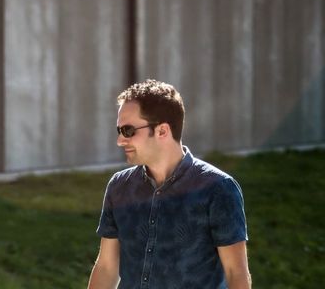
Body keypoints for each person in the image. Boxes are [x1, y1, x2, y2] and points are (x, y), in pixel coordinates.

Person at [88, 79, 251, 289]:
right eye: (118, 130)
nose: (120, 140)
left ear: (162, 131)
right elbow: (106, 267)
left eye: (128, 131)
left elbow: (236, 273)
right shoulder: (119, 187)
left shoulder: (218, 189)